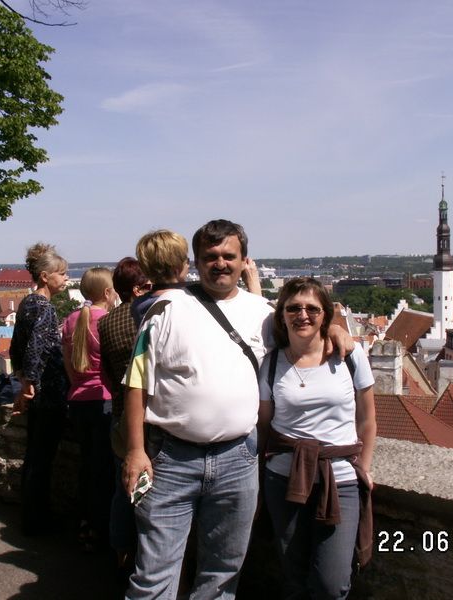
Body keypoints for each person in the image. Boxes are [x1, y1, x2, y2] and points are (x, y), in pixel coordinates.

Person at [122, 219, 354, 599]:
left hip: (238, 460)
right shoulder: (165, 309)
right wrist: (135, 450)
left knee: (223, 573)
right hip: (172, 458)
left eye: (229, 255)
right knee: (153, 576)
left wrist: (334, 329)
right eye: (210, 256)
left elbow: (305, 328)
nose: (220, 263)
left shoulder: (263, 312)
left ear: (244, 260)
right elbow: (136, 383)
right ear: (195, 262)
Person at [258, 277, 376, 600]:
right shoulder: (270, 365)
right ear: (281, 315)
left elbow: (367, 420)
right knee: (293, 575)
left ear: (326, 314)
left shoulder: (350, 357)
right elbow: (264, 427)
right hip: (283, 479)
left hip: (339, 479)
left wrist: (363, 468)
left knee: (331, 583)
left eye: (312, 308)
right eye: (293, 308)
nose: (303, 315)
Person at [9, 242, 70, 535]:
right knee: (42, 457)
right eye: (61, 274)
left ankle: (30, 515)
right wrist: (30, 383)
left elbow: (16, 347)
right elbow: (35, 348)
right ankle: (37, 520)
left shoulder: (26, 303)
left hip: (35, 387)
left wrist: (22, 376)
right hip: (49, 390)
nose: (66, 279)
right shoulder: (44, 307)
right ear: (45, 276)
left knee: (34, 455)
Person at [98, 258, 151, 578]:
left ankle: (120, 550)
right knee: (146, 491)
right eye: (147, 285)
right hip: (144, 414)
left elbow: (105, 372)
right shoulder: (145, 317)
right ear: (136, 289)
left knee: (124, 488)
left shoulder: (105, 322)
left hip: (118, 411)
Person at [62, 267, 118, 551]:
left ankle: (85, 522)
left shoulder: (71, 319)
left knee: (86, 465)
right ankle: (101, 527)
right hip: (103, 400)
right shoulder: (108, 321)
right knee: (105, 469)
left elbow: (68, 366)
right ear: (108, 292)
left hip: (77, 399)